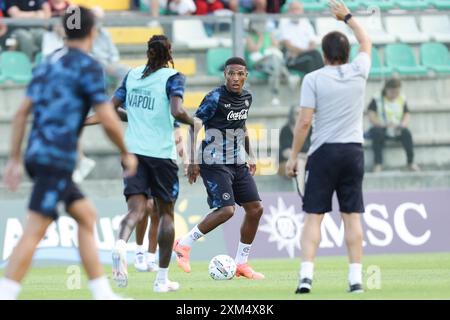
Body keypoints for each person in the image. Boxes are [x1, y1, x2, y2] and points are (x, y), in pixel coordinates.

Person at [0, 6, 137, 300]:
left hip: (38, 154)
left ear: (63, 30)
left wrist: (14, 158)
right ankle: (6, 292)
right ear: (93, 32)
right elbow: (108, 117)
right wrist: (127, 152)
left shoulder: (48, 63)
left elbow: (22, 112)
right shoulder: (88, 66)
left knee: (86, 216)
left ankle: (102, 293)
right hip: (56, 158)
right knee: (36, 228)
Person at [86, 35, 195, 292]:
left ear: (148, 53)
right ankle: (161, 281)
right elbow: (177, 111)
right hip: (160, 155)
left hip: (132, 153)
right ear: (169, 53)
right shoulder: (174, 77)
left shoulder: (132, 76)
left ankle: (119, 247)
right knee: (166, 214)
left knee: (135, 209)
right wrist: (194, 121)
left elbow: (111, 109)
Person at [286, 0, 371, 294]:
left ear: (323, 54)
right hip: (353, 152)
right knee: (352, 216)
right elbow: (366, 40)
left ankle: (306, 277)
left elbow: (304, 123)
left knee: (313, 217)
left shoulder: (313, 78)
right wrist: (346, 17)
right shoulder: (360, 70)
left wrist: (293, 157)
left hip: (324, 153)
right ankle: (356, 279)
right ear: (346, 53)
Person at [174, 57, 265, 280]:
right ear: (225, 74)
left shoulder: (247, 97)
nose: (235, 78)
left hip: (236, 162)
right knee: (227, 210)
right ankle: (184, 244)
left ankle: (241, 263)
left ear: (246, 76)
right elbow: (195, 126)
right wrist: (193, 160)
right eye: (231, 74)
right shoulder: (215, 97)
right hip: (213, 161)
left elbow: (241, 126)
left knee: (255, 209)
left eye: (240, 74)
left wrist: (250, 155)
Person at [367, 78, 420, 172]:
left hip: (396, 128)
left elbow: (406, 114)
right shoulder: (377, 98)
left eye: (397, 92)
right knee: (377, 134)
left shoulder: (402, 98)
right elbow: (371, 116)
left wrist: (403, 124)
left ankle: (410, 162)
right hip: (381, 127)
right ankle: (378, 164)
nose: (395, 95)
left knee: (406, 133)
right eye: (392, 92)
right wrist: (383, 125)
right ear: (386, 89)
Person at [246, 21, 298, 106]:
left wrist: (271, 45)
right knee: (275, 61)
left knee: (275, 63)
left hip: (271, 63)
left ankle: (275, 95)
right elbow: (254, 49)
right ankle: (289, 77)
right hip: (257, 63)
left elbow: (276, 46)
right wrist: (261, 38)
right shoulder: (250, 37)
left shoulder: (269, 34)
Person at [278, 1, 323, 76]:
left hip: (306, 54)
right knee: (311, 58)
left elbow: (312, 42)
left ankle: (320, 81)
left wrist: (306, 51)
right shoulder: (284, 22)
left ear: (302, 11)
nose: (295, 12)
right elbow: (288, 45)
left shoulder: (305, 22)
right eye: (293, 9)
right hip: (293, 59)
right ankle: (318, 84)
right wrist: (305, 51)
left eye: (298, 9)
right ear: (289, 11)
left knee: (315, 55)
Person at [278, 105, 310, 176]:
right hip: (286, 163)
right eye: (297, 113)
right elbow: (286, 152)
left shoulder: (309, 129)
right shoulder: (285, 130)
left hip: (305, 161)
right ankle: (301, 187)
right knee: (299, 164)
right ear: (291, 115)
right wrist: (304, 156)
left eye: (302, 113)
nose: (299, 116)